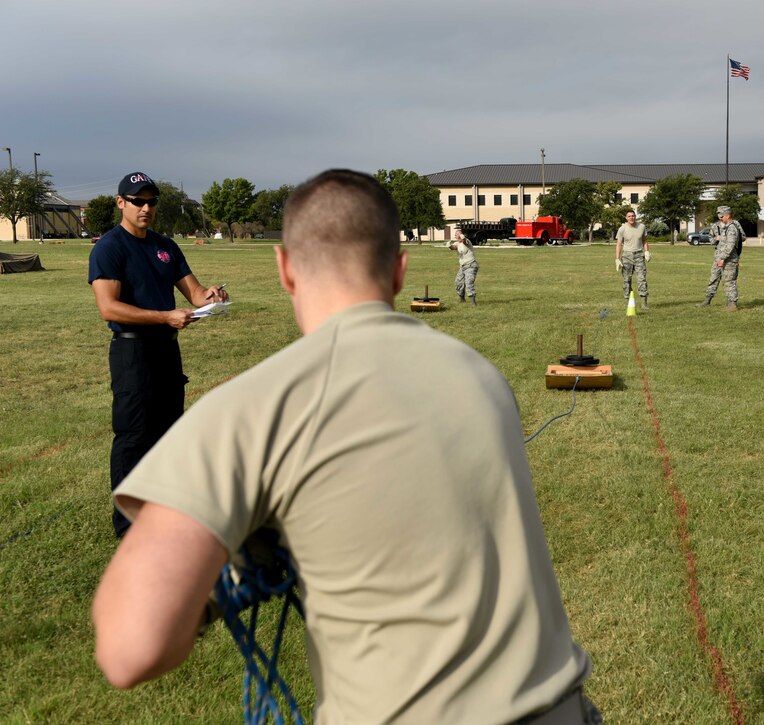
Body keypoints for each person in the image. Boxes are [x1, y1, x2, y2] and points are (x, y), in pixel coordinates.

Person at [92, 170, 597, 724]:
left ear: (285, 269)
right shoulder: (481, 375)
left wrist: (241, 561)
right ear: (400, 270)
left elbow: (127, 648)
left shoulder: (256, 409)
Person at [88, 172, 228, 538]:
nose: (146, 208)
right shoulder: (109, 248)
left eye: (151, 202)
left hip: (167, 350)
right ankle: (128, 525)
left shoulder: (165, 245)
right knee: (134, 436)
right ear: (121, 202)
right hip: (133, 351)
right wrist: (164, 316)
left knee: (168, 432)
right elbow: (109, 307)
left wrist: (210, 297)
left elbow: (194, 293)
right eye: (138, 201)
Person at [697, 205, 743, 311]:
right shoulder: (724, 226)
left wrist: (722, 258)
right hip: (720, 257)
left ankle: (732, 304)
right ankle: (708, 300)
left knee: (729, 281)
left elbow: (731, 245)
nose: (720, 218)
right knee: (713, 278)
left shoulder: (732, 227)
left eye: (722, 216)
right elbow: (714, 240)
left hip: (728, 259)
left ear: (727, 215)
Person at [614, 209, 650, 308]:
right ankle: (629, 302)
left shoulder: (641, 227)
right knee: (626, 280)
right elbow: (619, 244)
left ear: (635, 217)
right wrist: (617, 258)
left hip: (639, 255)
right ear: (626, 218)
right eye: (629, 216)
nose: (631, 218)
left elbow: (645, 240)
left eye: (633, 216)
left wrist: (647, 251)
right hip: (627, 256)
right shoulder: (622, 229)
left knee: (642, 279)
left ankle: (644, 304)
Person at [448, 228, 479, 305]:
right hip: (463, 267)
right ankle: (462, 300)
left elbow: (464, 241)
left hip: (471, 266)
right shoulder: (457, 244)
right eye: (456, 235)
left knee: (469, 283)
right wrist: (449, 245)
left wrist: (462, 237)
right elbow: (453, 247)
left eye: (458, 235)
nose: (457, 236)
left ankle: (473, 303)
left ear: (462, 235)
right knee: (458, 282)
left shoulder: (467, 241)